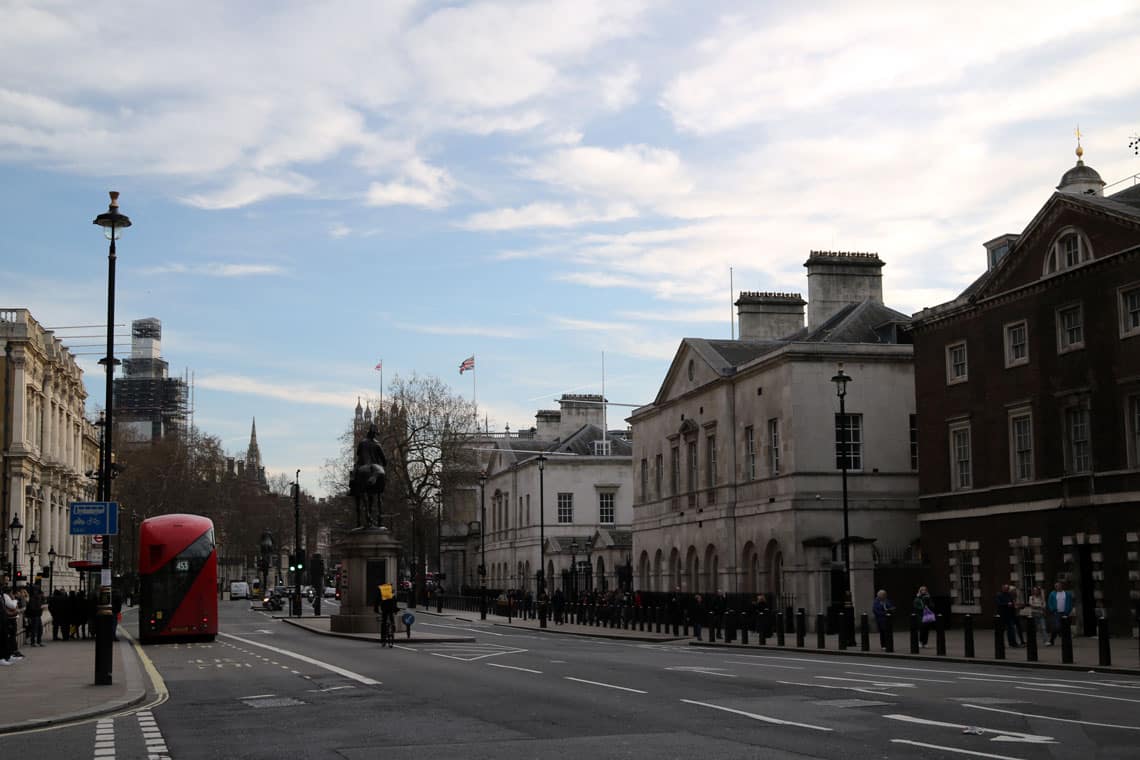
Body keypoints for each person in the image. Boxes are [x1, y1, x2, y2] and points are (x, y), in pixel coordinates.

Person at [1047, 581, 1073, 646]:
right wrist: (1052, 609)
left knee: (1065, 627)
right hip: (1056, 613)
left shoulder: (1067, 594)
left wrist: (1068, 611)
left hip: (1065, 613)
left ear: (1061, 586)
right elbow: (1049, 602)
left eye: (1058, 586)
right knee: (1057, 627)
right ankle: (1052, 640)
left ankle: (1065, 641)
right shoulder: (1052, 594)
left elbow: (1070, 603)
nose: (1057, 587)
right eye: (1055, 586)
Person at [2, 582, 21, 664]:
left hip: (9, 618)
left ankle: (11, 654)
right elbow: (13, 606)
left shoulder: (5, 597)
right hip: (8, 619)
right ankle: (10, 654)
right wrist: (15, 600)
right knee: (10, 637)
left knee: (11, 636)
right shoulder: (5, 597)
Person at [374, 582, 397, 648]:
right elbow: (395, 601)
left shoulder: (382, 593)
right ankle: (393, 626)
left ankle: (383, 640)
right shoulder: (392, 593)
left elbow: (377, 601)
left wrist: (376, 609)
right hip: (391, 608)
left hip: (384, 609)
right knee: (391, 618)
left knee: (383, 623)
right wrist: (395, 610)